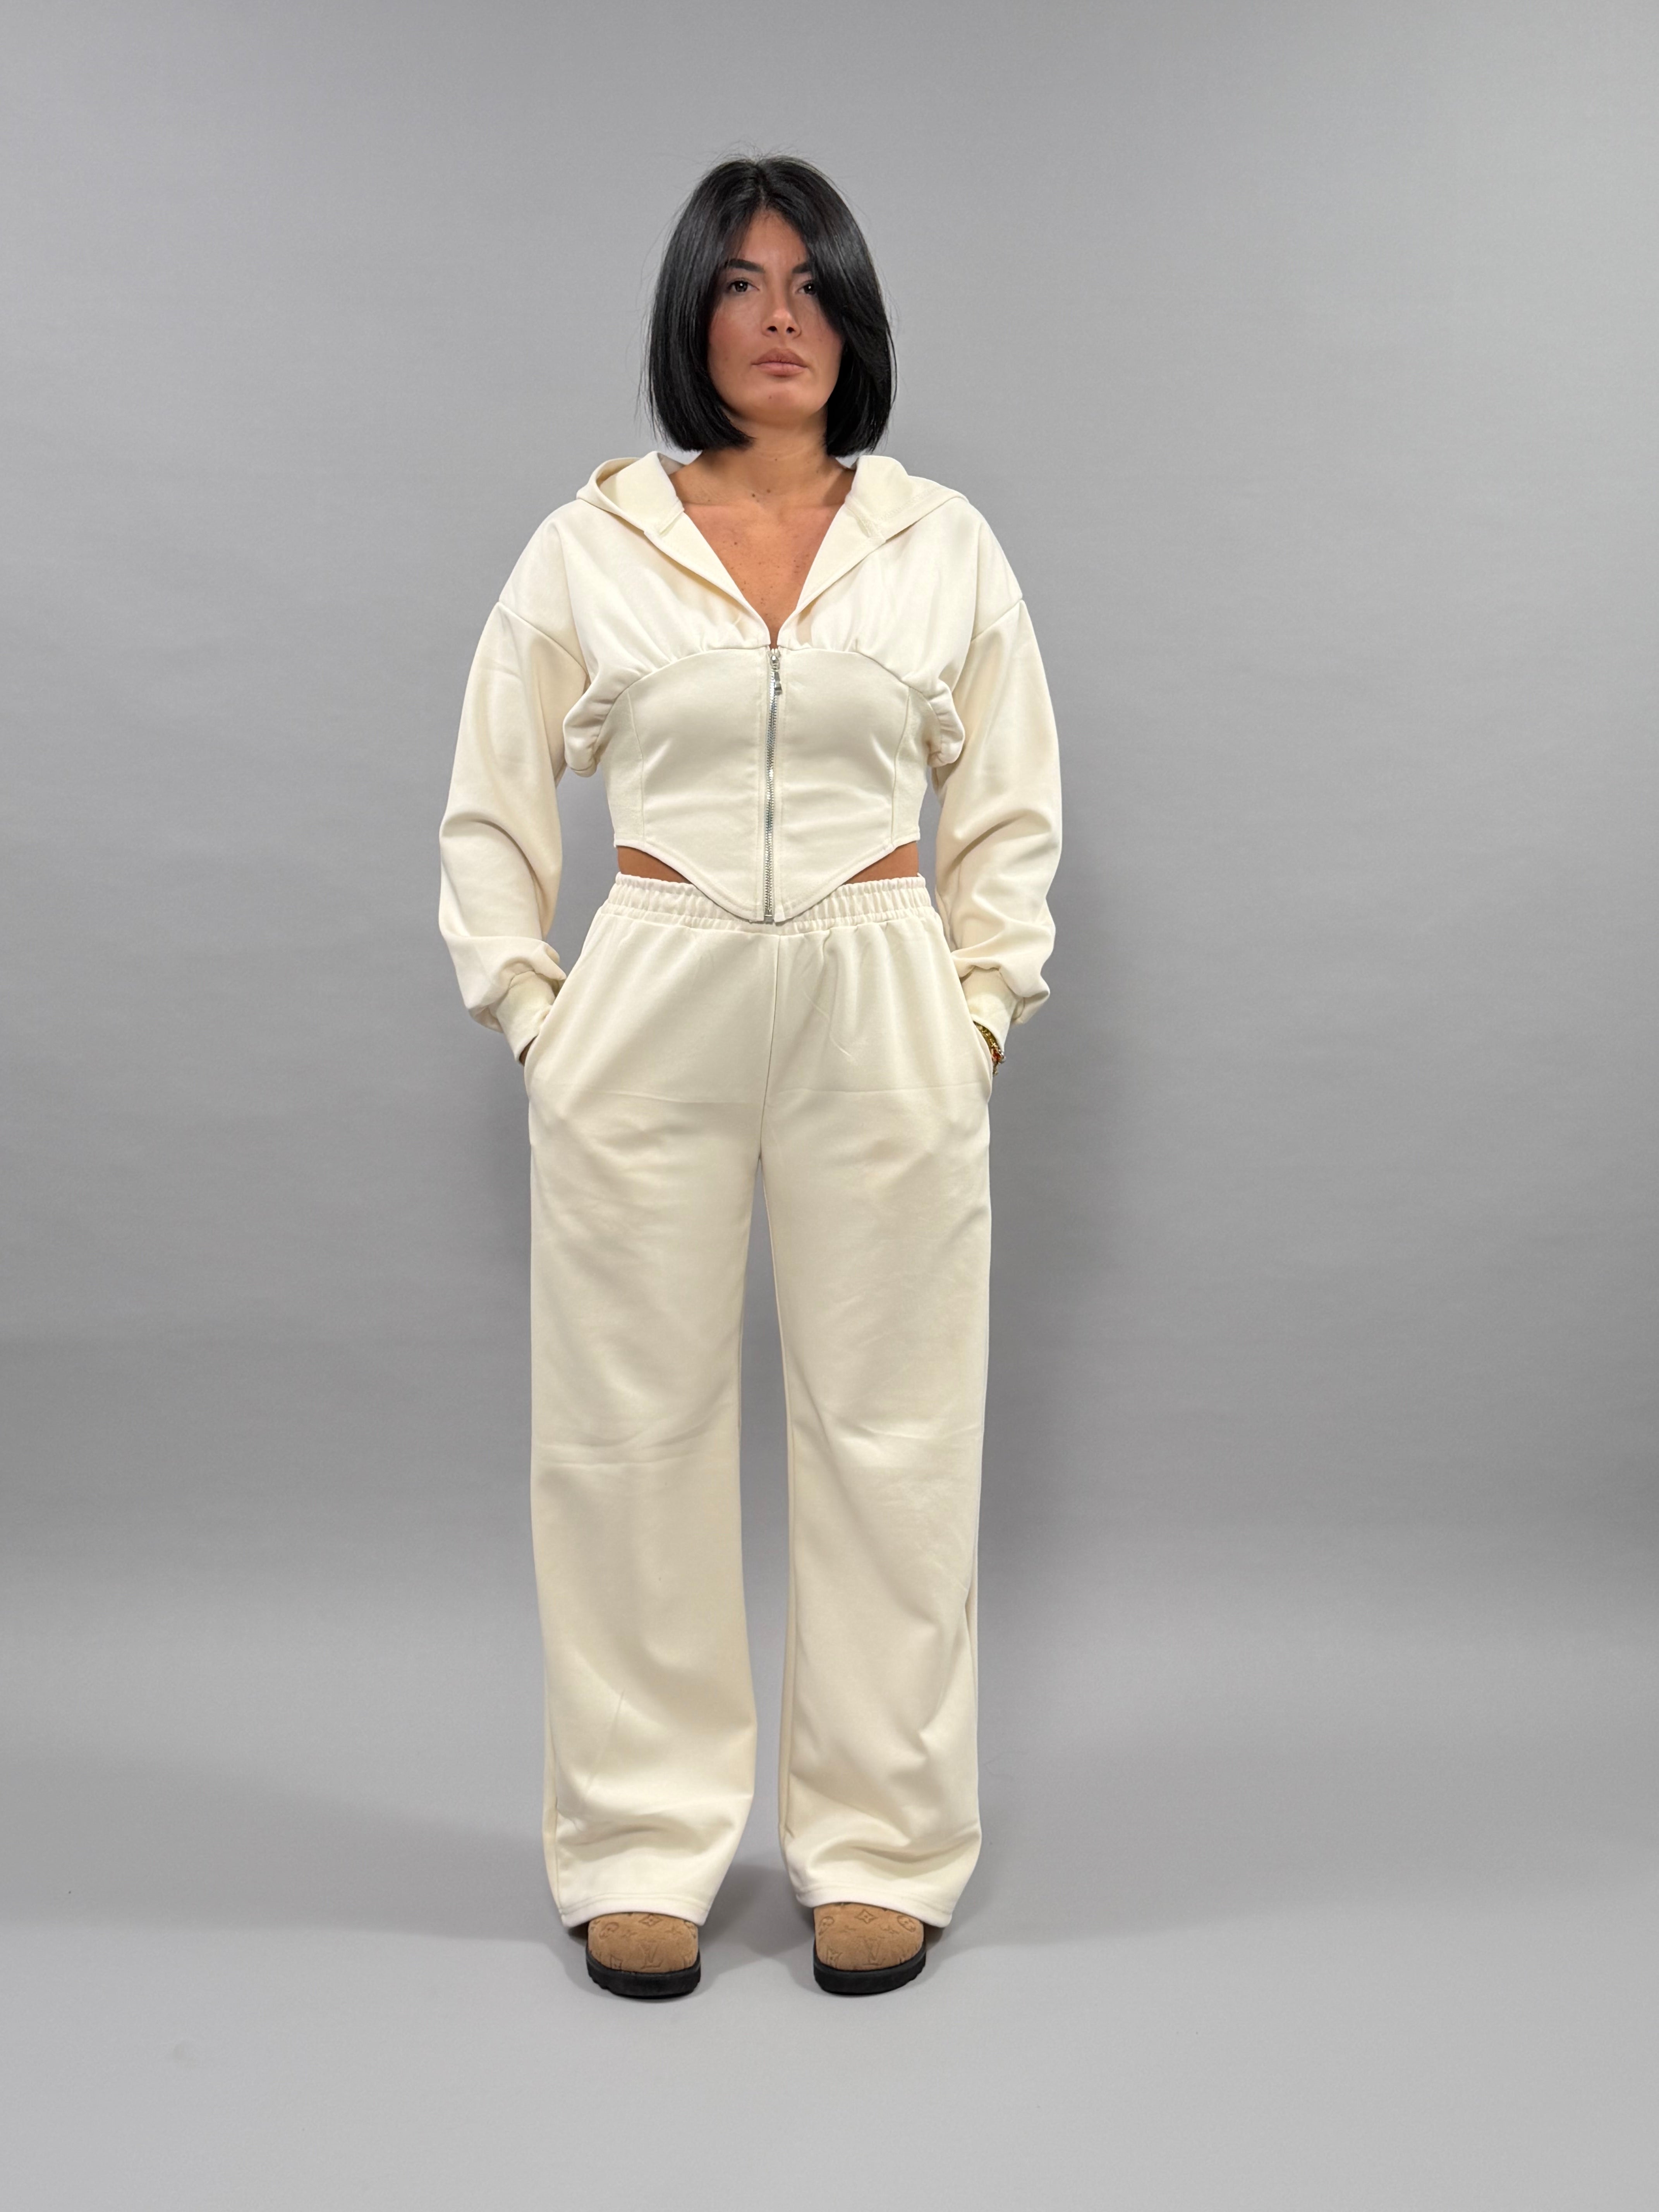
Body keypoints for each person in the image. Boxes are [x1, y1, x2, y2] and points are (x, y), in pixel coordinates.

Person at [438, 155, 1062, 1999]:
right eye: (739, 282)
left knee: (897, 1430)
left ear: (854, 319)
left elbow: (1009, 804)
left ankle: (883, 1840)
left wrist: (978, 1009)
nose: (778, 317)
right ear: (689, 314)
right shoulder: (591, 545)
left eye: (810, 283)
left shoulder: (940, 544)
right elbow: (490, 800)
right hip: (656, 985)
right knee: (628, 1428)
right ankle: (641, 1840)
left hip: (880, 988)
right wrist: (536, 1010)